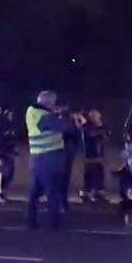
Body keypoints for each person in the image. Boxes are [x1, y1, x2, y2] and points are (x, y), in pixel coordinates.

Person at [25, 90, 83, 230]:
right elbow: (66, 127)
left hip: (38, 159)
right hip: (47, 159)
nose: (55, 105)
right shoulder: (42, 115)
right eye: (53, 103)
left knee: (35, 193)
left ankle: (31, 222)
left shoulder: (34, 111)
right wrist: (73, 120)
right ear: (48, 103)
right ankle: (53, 224)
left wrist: (59, 112)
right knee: (53, 192)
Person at [79, 109, 111, 203]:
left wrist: (102, 129)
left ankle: (97, 193)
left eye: (98, 116)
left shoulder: (100, 128)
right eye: (94, 116)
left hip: (98, 155)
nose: (97, 119)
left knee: (98, 174)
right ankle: (89, 193)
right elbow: (92, 133)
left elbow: (106, 136)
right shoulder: (87, 127)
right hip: (90, 155)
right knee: (91, 173)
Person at [0, 107, 19, 203]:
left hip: (10, 153)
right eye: (9, 114)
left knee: (9, 174)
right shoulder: (0, 126)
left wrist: (15, 149)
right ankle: (0, 193)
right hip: (2, 152)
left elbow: (13, 139)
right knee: (2, 173)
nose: (11, 116)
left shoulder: (12, 126)